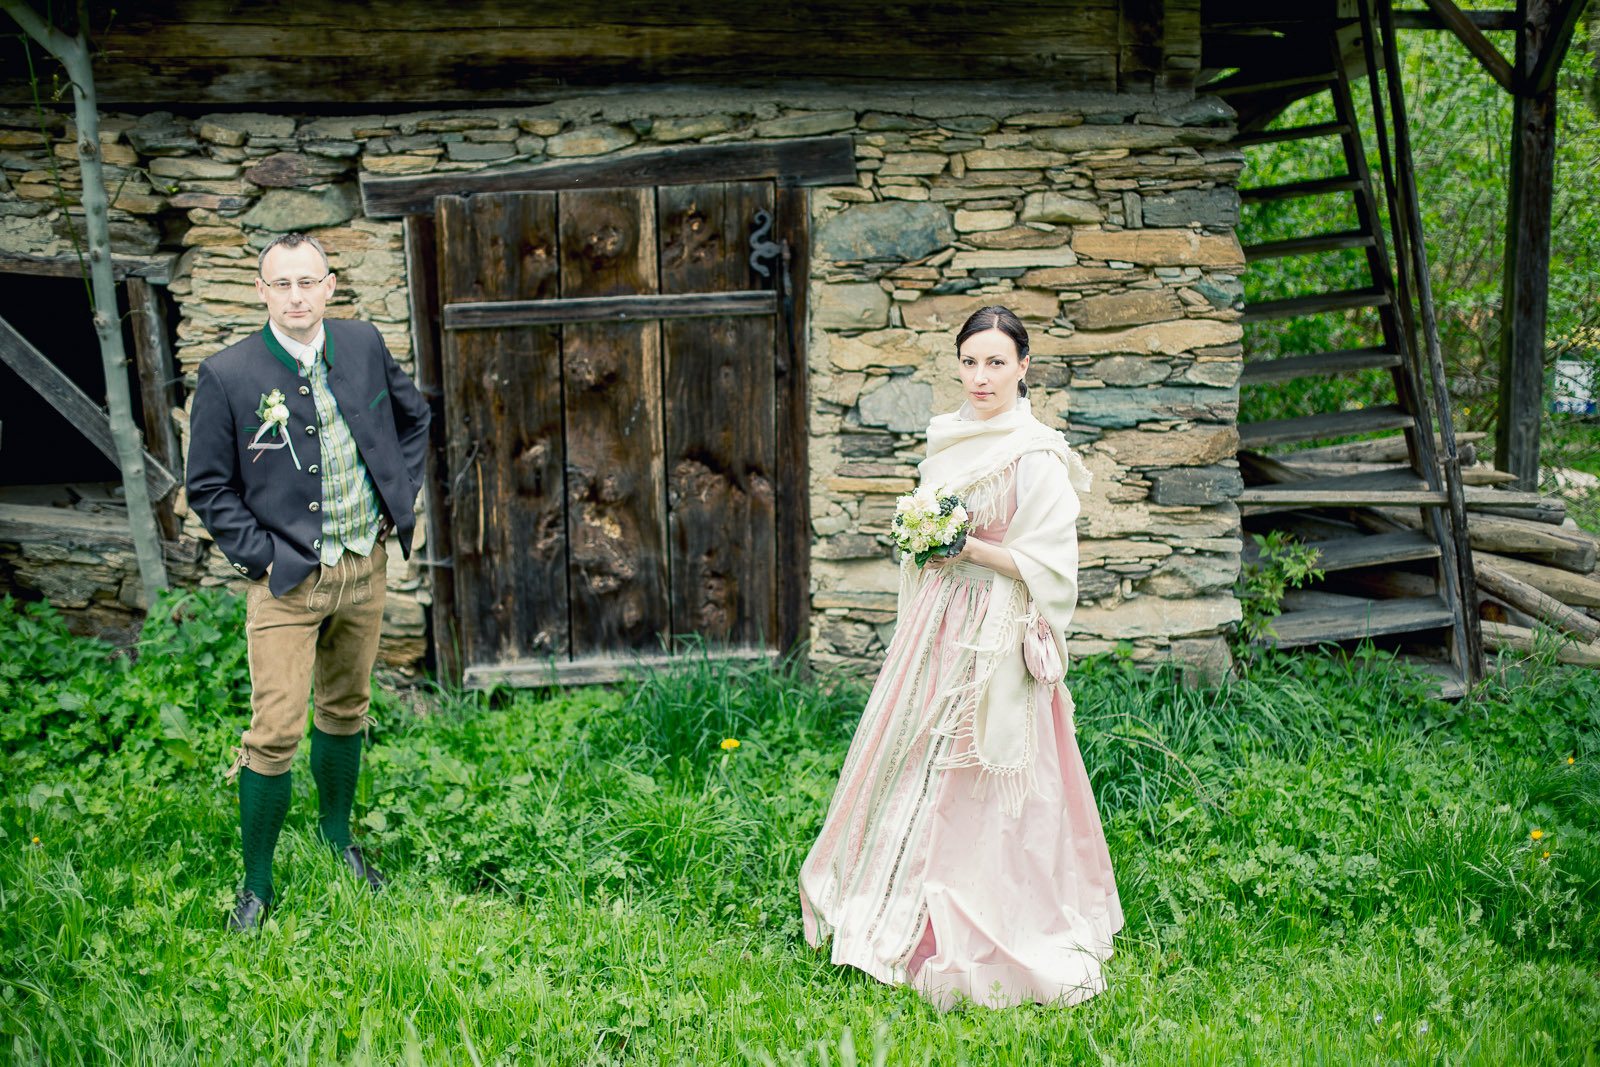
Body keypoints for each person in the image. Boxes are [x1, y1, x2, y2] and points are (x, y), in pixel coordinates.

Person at [799, 305, 1122, 1009]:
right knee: (917, 752)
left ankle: (993, 901)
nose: (981, 376)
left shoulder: (1036, 454)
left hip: (997, 631)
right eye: (971, 361)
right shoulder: (947, 437)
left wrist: (965, 546)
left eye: (997, 362)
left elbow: (1051, 564)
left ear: (1024, 366)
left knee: (989, 768)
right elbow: (927, 520)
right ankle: (902, 897)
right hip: (940, 626)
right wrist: (925, 540)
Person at [186, 232, 431, 932]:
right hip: (286, 581)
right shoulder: (227, 375)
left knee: (348, 706)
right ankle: (257, 884)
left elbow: (414, 421)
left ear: (330, 287)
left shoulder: (362, 344)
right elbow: (208, 484)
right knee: (274, 729)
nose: (296, 296)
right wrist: (262, 558)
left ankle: (335, 835)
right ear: (261, 291)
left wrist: (396, 498)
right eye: (281, 283)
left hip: (365, 565)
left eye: (308, 282)